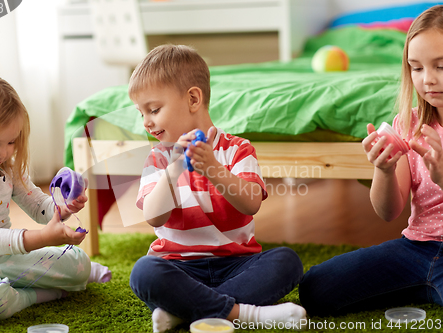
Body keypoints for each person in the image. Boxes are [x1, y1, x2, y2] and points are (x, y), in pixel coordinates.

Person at [127, 45, 306, 332]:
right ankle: (247, 314)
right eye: (141, 113)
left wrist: (213, 168)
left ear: (193, 99)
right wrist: (174, 170)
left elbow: (250, 204)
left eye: (154, 109)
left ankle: (183, 312)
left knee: (287, 261)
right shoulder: (158, 158)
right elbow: (153, 217)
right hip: (177, 266)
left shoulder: (238, 149)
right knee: (144, 272)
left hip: (237, 264)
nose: (146, 122)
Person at [299, 5, 443, 316]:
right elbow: (388, 212)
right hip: (417, 248)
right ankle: (422, 283)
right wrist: (384, 169)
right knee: (315, 289)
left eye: (440, 66)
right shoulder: (409, 124)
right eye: (416, 68)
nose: (428, 80)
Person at [0, 74, 111, 324]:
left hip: (5, 260)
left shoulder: (8, 168)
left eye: (11, 141)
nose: (4, 152)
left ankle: (17, 290)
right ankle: (37, 295)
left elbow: (38, 207)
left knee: (79, 264)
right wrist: (44, 239)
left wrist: (62, 207)